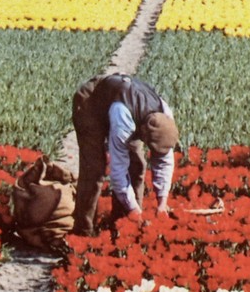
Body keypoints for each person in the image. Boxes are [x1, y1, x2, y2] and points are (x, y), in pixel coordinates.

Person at [70, 73, 179, 234]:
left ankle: (122, 225)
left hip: (123, 104)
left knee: (137, 165)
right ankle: (84, 230)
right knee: (94, 169)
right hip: (91, 104)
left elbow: (164, 161)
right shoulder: (123, 118)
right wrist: (135, 210)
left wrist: (162, 203)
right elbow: (118, 170)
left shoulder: (164, 114)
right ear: (143, 133)